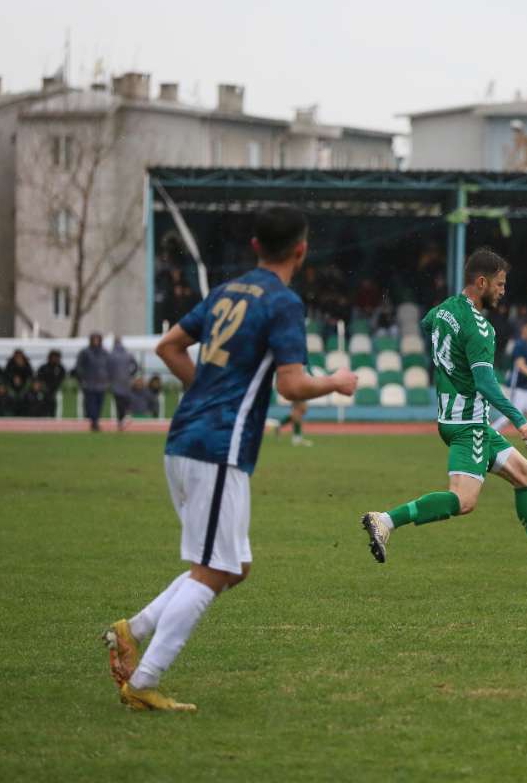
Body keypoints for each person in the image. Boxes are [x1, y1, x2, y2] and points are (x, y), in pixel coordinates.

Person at [102, 206, 357, 713]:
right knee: (213, 570)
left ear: (256, 246)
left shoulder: (225, 292)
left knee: (232, 566)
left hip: (188, 440)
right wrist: (335, 381)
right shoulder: (282, 303)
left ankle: (132, 630)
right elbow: (290, 384)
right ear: (301, 250)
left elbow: (169, 346)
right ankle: (144, 681)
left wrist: (206, 391)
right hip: (217, 450)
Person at [359, 248, 527, 582]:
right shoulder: (480, 328)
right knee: (464, 500)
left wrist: (450, 362)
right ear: (481, 282)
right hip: (469, 423)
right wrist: (520, 419)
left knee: (525, 474)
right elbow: (485, 382)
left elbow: (426, 325)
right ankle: (385, 520)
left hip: (452, 418)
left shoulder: (445, 310)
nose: (502, 291)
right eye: (499, 284)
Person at [490, 320, 527, 446]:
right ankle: (490, 433)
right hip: (518, 386)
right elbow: (520, 365)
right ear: (524, 330)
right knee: (512, 415)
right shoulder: (520, 344)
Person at [74, 333, 110, 431]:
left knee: (99, 404)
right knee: (91, 404)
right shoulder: (85, 352)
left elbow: (109, 366)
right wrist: (82, 379)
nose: (96, 341)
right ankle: (94, 423)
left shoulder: (104, 353)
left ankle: (95, 421)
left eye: (97, 339)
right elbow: (79, 366)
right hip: (89, 383)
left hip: (102, 384)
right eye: (94, 339)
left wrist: (108, 379)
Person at [108, 336, 138, 429]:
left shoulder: (111, 354)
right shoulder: (128, 354)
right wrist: (131, 374)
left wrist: (110, 377)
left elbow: (107, 368)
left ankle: (120, 420)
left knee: (118, 403)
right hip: (126, 381)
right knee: (125, 400)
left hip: (115, 382)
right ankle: (125, 416)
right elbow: (135, 365)